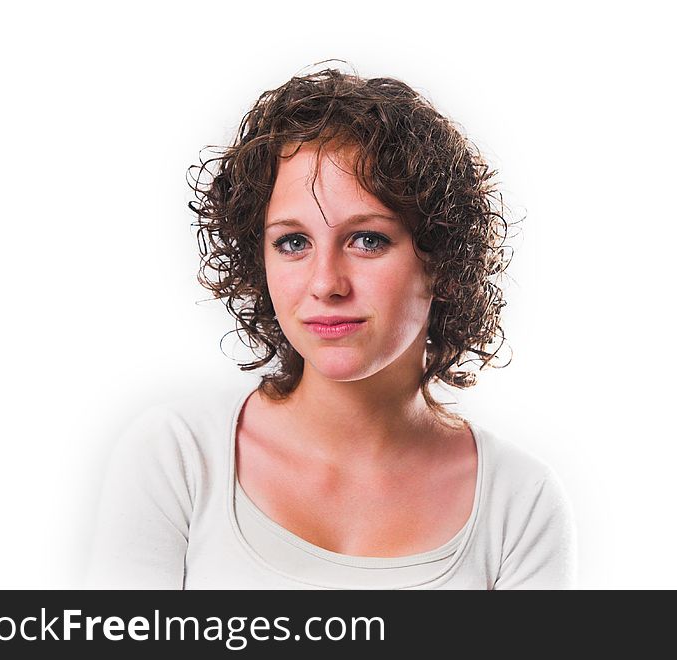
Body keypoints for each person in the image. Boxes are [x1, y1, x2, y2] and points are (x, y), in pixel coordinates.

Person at [86, 65, 577, 589]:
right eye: (293, 242)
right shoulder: (178, 458)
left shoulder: (519, 503)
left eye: (367, 240)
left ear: (441, 259)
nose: (326, 283)